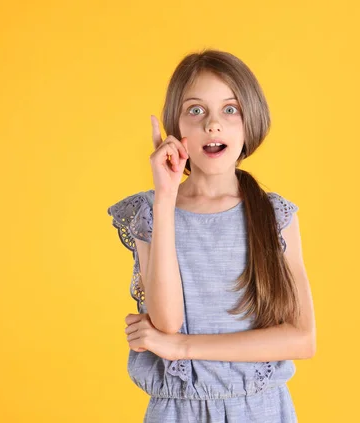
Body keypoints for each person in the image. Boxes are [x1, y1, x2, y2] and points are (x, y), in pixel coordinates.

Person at [107, 49, 316, 423]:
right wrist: (165, 196)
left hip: (261, 410)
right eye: (196, 110)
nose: (213, 125)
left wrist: (181, 347)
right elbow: (166, 321)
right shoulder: (149, 211)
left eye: (230, 110)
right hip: (178, 411)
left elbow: (301, 339)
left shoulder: (274, 215)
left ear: (250, 121)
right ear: (177, 126)